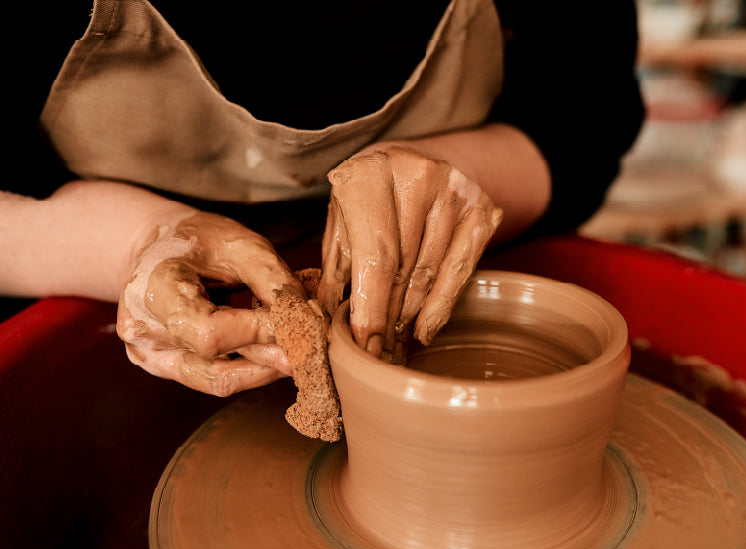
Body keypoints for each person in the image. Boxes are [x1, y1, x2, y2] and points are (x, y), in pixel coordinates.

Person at [0, 1, 644, 396]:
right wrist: (134, 244)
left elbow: (585, 113)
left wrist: (456, 172)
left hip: (437, 307)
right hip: (89, 297)